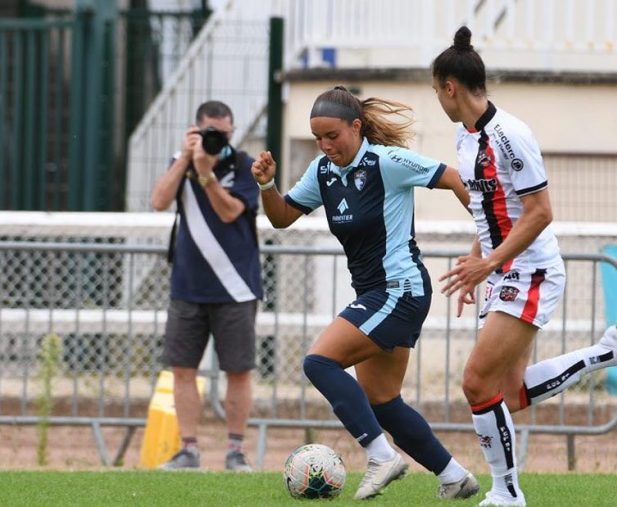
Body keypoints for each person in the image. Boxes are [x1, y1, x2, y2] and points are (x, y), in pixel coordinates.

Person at [432, 27, 617, 506]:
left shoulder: (511, 136)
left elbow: (540, 212)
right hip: (499, 271)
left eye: (435, 88)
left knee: (476, 383)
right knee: (509, 394)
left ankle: (507, 494)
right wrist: (478, 260)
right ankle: (608, 352)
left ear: (450, 87)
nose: (436, 96)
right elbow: (491, 208)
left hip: (531, 271)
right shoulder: (464, 136)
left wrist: (490, 262)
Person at [251, 86, 479, 500]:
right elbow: (283, 217)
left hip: (399, 289)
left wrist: (488, 242)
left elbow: (454, 178)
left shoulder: (386, 161)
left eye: (332, 136)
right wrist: (267, 186)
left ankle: (380, 455)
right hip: (378, 293)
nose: (325, 145)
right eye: (318, 138)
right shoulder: (323, 172)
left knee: (319, 362)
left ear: (356, 127)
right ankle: (453, 476)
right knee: (382, 400)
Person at [150, 100, 263, 472]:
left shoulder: (245, 165)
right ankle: (188, 448)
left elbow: (231, 212)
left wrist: (206, 175)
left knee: (238, 369)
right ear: (195, 130)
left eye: (224, 133)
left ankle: (235, 450)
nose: (218, 139)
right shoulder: (180, 161)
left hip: (236, 286)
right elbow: (158, 201)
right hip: (188, 283)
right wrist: (186, 160)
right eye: (210, 132)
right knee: (182, 369)